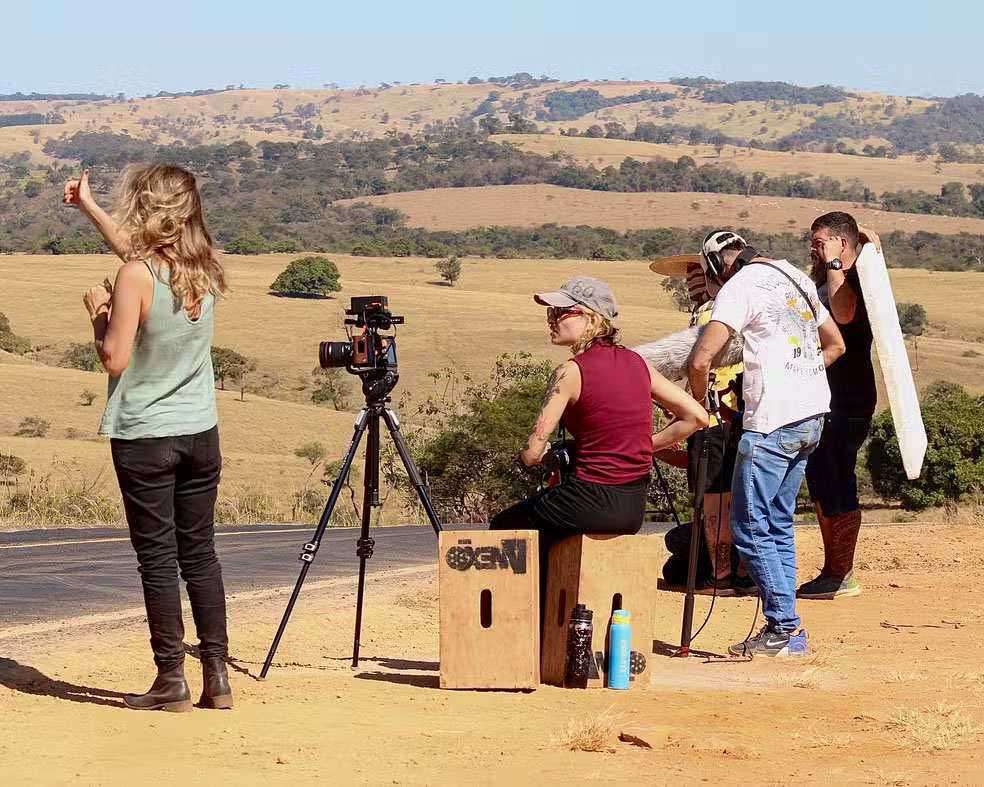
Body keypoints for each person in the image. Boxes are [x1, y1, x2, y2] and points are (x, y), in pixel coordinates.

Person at [64, 164, 232, 711]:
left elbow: (115, 357)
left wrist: (100, 314)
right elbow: (133, 254)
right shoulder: (204, 267)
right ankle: (217, 677)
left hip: (146, 436)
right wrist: (89, 208)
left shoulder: (136, 275)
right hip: (200, 434)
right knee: (200, 555)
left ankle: (170, 680)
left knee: (158, 559)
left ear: (146, 205)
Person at [490, 276, 708, 596]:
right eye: (550, 313)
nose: (551, 319)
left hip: (587, 502)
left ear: (591, 318)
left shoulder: (569, 372)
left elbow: (533, 454)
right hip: (631, 508)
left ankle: (527, 622)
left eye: (561, 312)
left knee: (503, 528)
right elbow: (697, 416)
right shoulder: (638, 364)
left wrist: (531, 456)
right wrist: (646, 446)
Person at [687, 231, 845, 657]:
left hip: (772, 423)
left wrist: (698, 402)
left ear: (716, 266)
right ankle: (788, 631)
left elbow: (701, 359)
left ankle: (784, 626)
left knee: (750, 527)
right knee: (775, 524)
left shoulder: (739, 287)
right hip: (812, 416)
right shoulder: (792, 274)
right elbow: (836, 344)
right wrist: (798, 376)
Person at [649, 258, 751, 596]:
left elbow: (706, 369)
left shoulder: (714, 312)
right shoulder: (733, 308)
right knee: (737, 500)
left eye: (698, 275)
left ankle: (722, 577)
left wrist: (691, 406)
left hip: (716, 418)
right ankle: (743, 574)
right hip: (738, 415)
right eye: (688, 277)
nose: (692, 283)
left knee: (715, 503)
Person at [799, 212, 879, 600]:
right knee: (821, 479)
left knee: (838, 479)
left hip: (849, 396)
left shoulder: (855, 278)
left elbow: (844, 314)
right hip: (823, 394)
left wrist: (835, 264)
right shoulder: (823, 275)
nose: (813, 248)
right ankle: (832, 569)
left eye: (820, 242)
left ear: (840, 245)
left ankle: (841, 572)